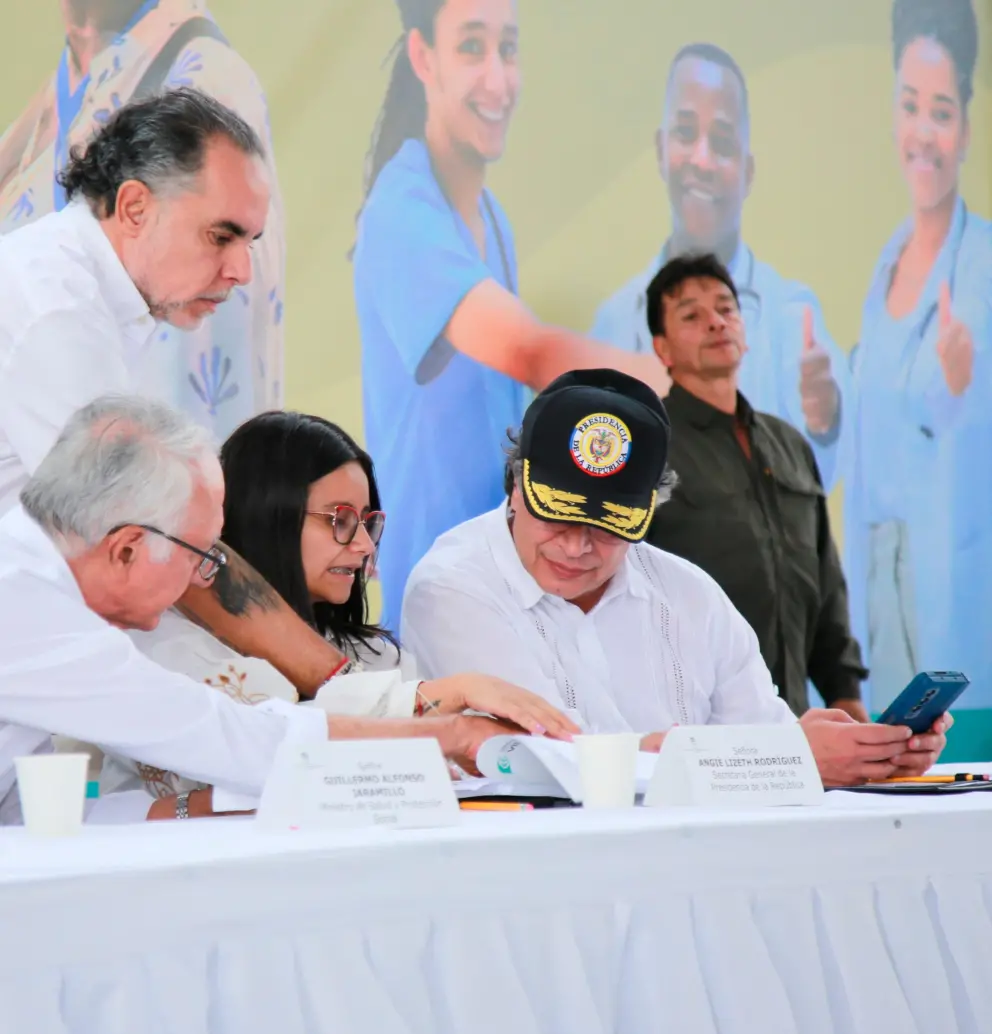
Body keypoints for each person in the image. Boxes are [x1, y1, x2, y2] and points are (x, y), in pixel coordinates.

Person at [0, 395, 571, 824]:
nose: (206, 578)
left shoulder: (36, 586)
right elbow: (232, 738)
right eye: (201, 554)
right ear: (125, 548)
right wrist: (443, 732)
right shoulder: (34, 615)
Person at [403, 368, 951, 786]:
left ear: (653, 506)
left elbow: (764, 732)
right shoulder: (453, 587)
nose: (576, 545)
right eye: (557, 513)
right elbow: (549, 765)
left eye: (608, 525)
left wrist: (863, 752)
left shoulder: (690, 594)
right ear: (514, 482)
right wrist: (788, 755)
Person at [352, 0, 668, 634]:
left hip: (512, 582)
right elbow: (528, 352)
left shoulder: (494, 220)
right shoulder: (402, 210)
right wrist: (670, 378)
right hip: (438, 588)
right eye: (472, 47)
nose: (498, 79)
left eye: (510, 48)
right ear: (423, 55)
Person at [0, 0, 285, 439]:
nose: (239, 269)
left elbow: (198, 406)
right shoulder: (63, 87)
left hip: (141, 479)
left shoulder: (204, 78)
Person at [844, 0, 992, 711]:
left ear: (969, 128)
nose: (923, 132)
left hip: (951, 586)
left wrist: (961, 370)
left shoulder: (990, 259)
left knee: (960, 773)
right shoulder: (882, 265)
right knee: (882, 773)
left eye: (942, 112)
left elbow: (981, 380)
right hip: (878, 588)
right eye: (911, 106)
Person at [0, 86, 271, 517]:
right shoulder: (56, 310)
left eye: (250, 242)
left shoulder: (97, 294)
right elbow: (132, 538)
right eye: (220, 237)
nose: (242, 271)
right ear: (134, 208)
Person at [589, 42, 848, 489]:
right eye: (686, 134)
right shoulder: (612, 320)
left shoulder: (792, 314)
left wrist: (825, 419)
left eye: (723, 143)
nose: (703, 161)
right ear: (660, 149)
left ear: (748, 171)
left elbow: (816, 483)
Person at [644, 253, 868, 722]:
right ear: (662, 350)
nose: (715, 322)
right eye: (691, 314)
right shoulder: (649, 445)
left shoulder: (789, 443)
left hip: (795, 717)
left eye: (726, 308)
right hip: (690, 717)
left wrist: (844, 694)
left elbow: (824, 578)